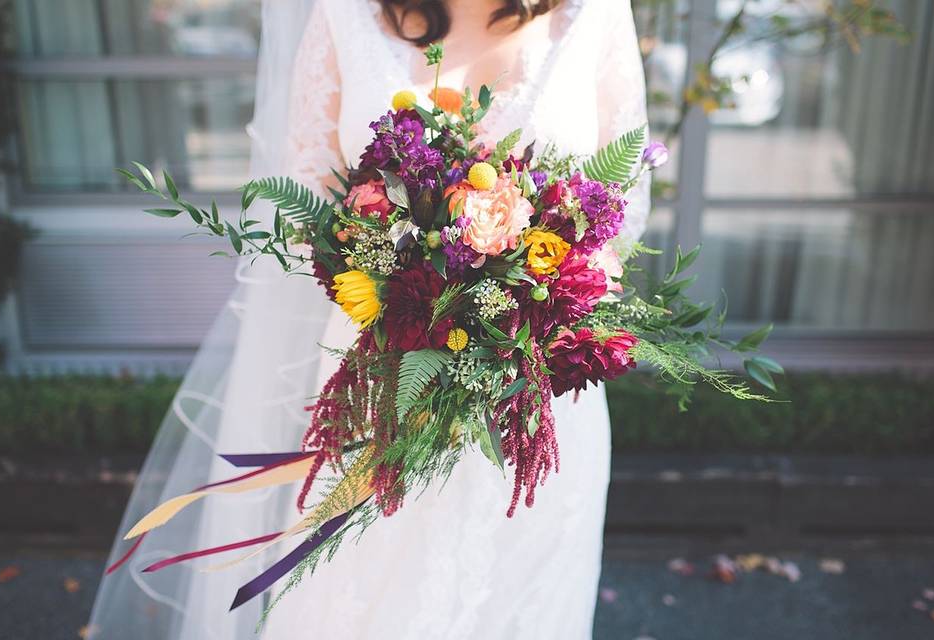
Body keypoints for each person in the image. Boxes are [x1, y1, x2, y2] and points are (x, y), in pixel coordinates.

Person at [88, 0, 649, 638]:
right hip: (378, 383)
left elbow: (624, 205)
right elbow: (301, 198)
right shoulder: (343, 14)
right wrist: (406, 280)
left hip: (534, 395)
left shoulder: (596, 13)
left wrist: (515, 298)